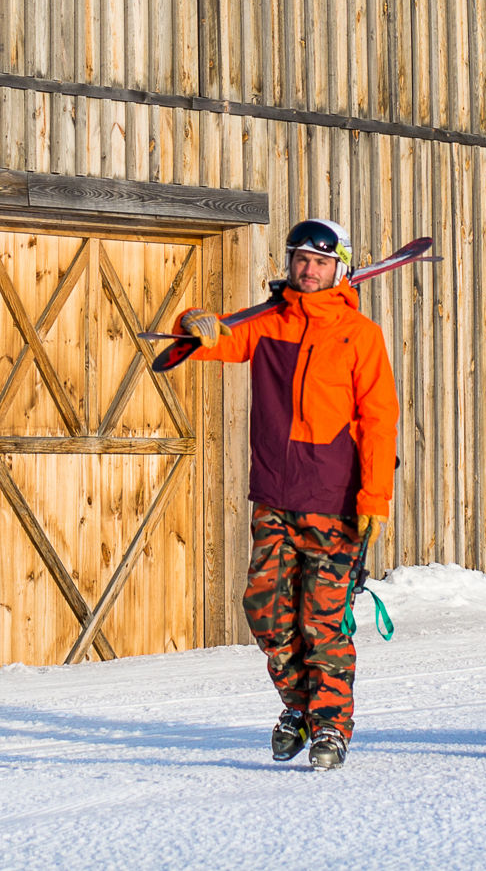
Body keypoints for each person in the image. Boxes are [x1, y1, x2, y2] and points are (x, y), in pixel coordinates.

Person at [168, 218, 400, 771]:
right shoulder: (267, 323)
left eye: (320, 262)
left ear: (339, 267)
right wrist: (190, 320)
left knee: (322, 621)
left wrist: (374, 499)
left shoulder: (359, 333)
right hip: (274, 493)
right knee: (267, 612)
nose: (308, 269)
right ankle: (298, 706)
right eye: (300, 259)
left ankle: (331, 727)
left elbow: (380, 420)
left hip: (333, 497)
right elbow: (209, 340)